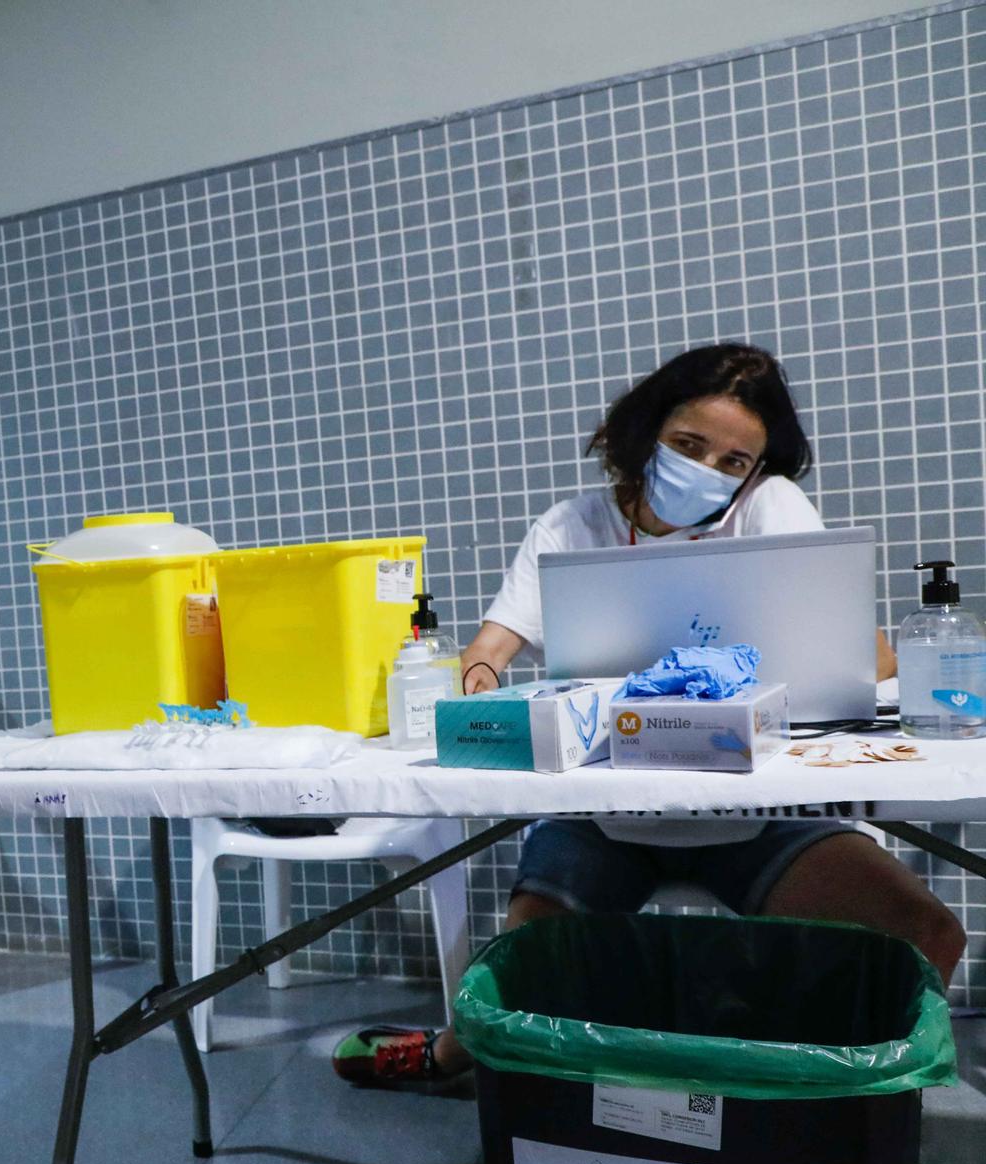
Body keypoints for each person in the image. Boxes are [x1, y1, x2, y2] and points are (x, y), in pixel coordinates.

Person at [333, 343, 968, 1087]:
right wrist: (479, 690)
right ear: (647, 431)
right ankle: (446, 1055)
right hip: (602, 818)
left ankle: (807, 1084)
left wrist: (814, 626)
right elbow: (486, 653)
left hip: (759, 812)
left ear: (757, 470)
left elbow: (873, 662)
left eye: (735, 461)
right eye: (689, 444)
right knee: (514, 984)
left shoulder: (767, 507)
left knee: (927, 929)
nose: (709, 469)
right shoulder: (571, 528)